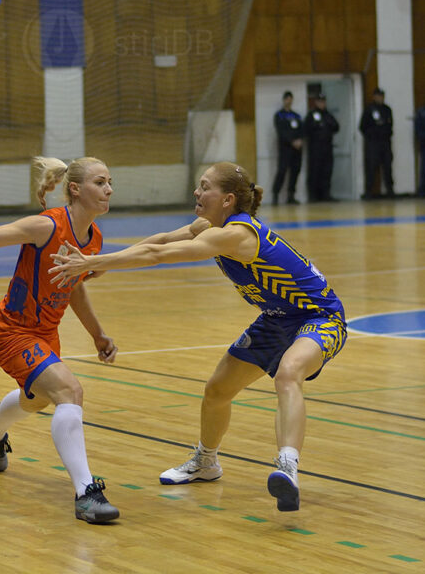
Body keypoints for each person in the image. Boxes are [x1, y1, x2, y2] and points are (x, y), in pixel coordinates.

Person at [48, 161, 347, 512]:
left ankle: (287, 467)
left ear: (227, 199)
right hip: (276, 318)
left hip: (320, 317)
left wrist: (92, 262)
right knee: (217, 390)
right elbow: (159, 241)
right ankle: (207, 462)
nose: (197, 192)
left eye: (205, 186)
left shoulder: (236, 234)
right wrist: (98, 261)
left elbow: (158, 256)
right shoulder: (207, 225)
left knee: (288, 372)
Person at [0, 156, 121, 523]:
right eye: (100, 181)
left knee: (36, 402)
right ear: (76, 189)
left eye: (110, 181)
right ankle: (86, 494)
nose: (109, 189)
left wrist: (97, 334)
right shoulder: (45, 227)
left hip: (46, 334)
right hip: (12, 332)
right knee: (70, 391)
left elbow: (73, 288)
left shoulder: (93, 237)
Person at [359, 87, 394, 199]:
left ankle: (390, 190)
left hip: (385, 143)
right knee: (371, 167)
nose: (380, 98)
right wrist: (372, 135)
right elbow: (362, 127)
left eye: (382, 96)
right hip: (373, 144)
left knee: (388, 167)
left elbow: (390, 125)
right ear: (374, 97)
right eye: (378, 96)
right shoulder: (369, 109)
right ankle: (369, 191)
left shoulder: (387, 109)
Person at [304, 93, 339, 202]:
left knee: (327, 172)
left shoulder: (328, 115)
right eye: (320, 101)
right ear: (316, 102)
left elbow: (336, 126)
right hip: (315, 148)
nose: (322, 103)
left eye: (323, 101)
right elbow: (306, 129)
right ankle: (313, 195)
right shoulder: (311, 114)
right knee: (315, 171)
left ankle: (326, 194)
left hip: (327, 148)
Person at [272, 91, 303, 205]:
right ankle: (275, 194)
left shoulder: (296, 116)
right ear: (284, 100)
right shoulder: (279, 115)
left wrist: (300, 140)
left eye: (291, 99)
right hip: (285, 148)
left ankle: (291, 195)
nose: (289, 101)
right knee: (282, 171)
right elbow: (281, 132)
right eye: (287, 99)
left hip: (297, 150)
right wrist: (291, 141)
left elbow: (301, 130)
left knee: (295, 171)